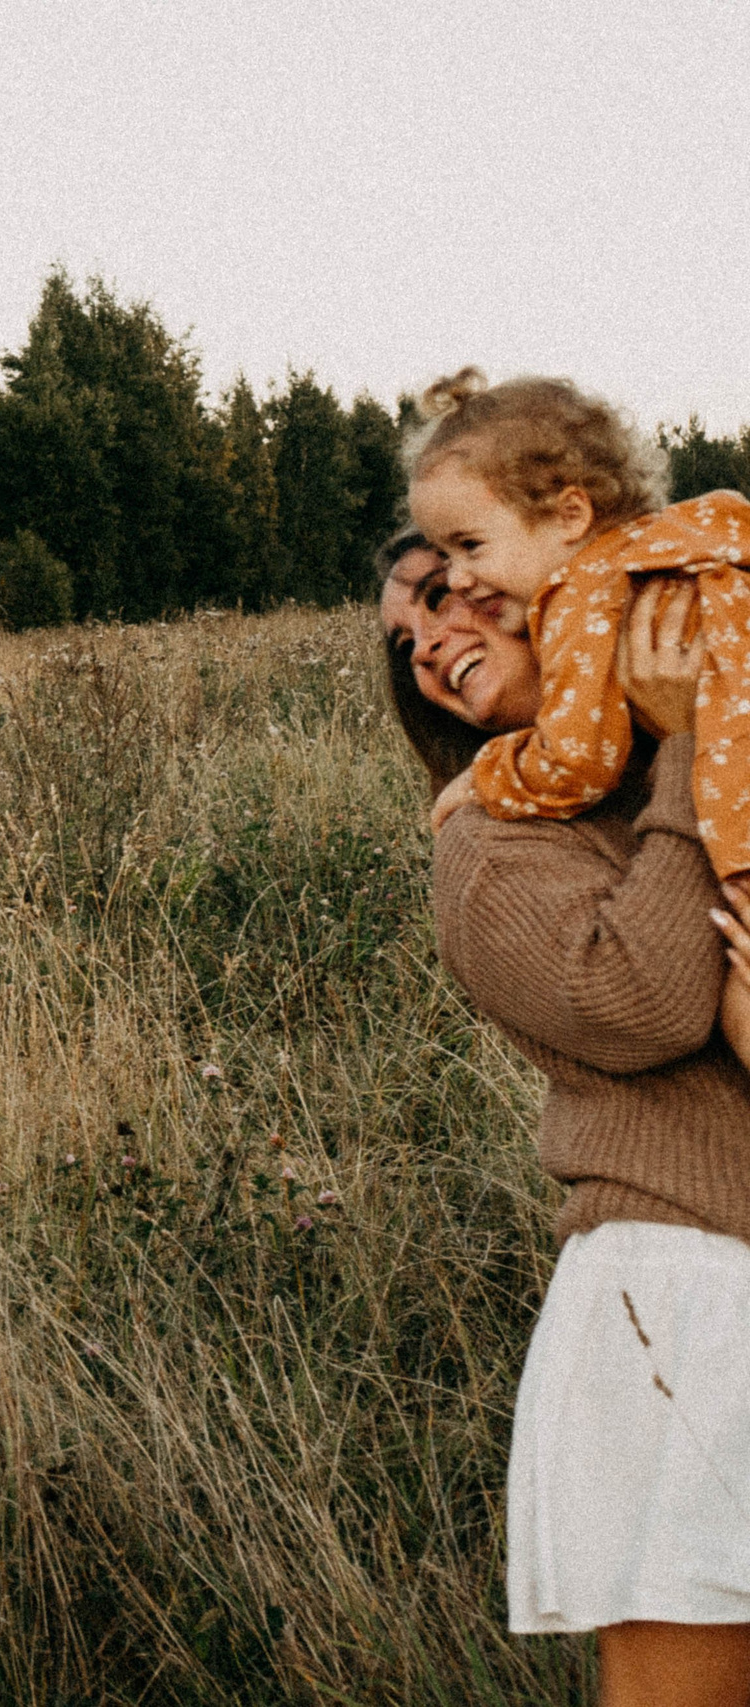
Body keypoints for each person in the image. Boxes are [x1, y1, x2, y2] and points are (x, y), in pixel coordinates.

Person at [385, 540, 750, 1706]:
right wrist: (687, 749)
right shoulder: (487, 848)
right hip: (681, 1296)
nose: (427, 641)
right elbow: (646, 1002)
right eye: (406, 641)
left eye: (444, 599)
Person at [407, 368, 750, 887]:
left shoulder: (580, 595)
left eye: (471, 545)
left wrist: (485, 776)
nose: (458, 579)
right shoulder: (683, 549)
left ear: (570, 515)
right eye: (445, 555)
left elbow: (578, 762)